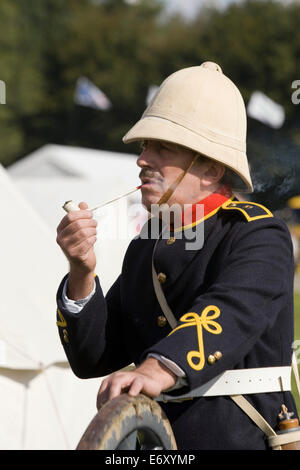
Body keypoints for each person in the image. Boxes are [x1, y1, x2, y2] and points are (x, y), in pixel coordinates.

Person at [56, 62, 298, 450]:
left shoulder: (256, 233)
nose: (141, 159)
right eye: (144, 146)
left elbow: (230, 311)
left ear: (210, 169)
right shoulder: (148, 244)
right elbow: (93, 358)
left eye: (162, 147)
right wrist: (81, 272)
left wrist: (158, 367)